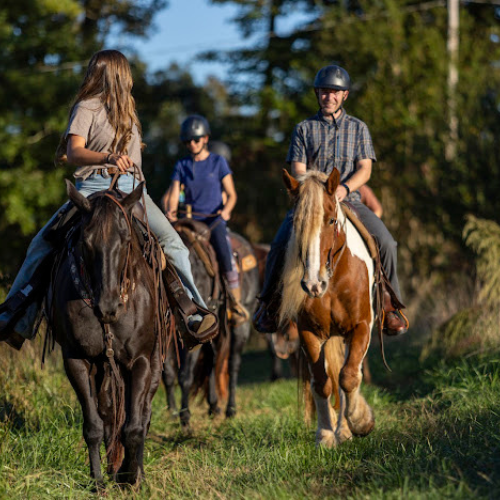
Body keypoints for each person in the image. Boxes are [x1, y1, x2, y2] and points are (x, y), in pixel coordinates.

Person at [0, 50, 216, 350]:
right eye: (125, 73)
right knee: (44, 242)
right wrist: (108, 156)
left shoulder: (129, 109)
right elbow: (74, 152)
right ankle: (17, 318)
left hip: (133, 191)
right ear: (116, 74)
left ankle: (193, 313)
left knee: (174, 245)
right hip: (94, 187)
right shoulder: (86, 106)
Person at [253, 64, 409, 336]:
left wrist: (343, 189)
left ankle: (388, 306)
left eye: (335, 92)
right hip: (313, 204)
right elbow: (298, 169)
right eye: (324, 92)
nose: (329, 97)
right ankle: (269, 305)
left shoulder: (359, 128)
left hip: (349, 200)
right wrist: (316, 192)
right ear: (318, 95)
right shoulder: (303, 129)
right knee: (278, 245)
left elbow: (365, 169)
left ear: (345, 95)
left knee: (387, 242)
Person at [165, 116, 249, 325]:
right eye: (187, 141)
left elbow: (231, 194)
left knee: (224, 251)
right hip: (189, 221)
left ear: (205, 139)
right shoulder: (182, 164)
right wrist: (171, 211)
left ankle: (235, 303)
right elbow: (175, 191)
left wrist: (226, 211)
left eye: (196, 140)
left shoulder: (218, 162)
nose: (191, 144)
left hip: (214, 220)